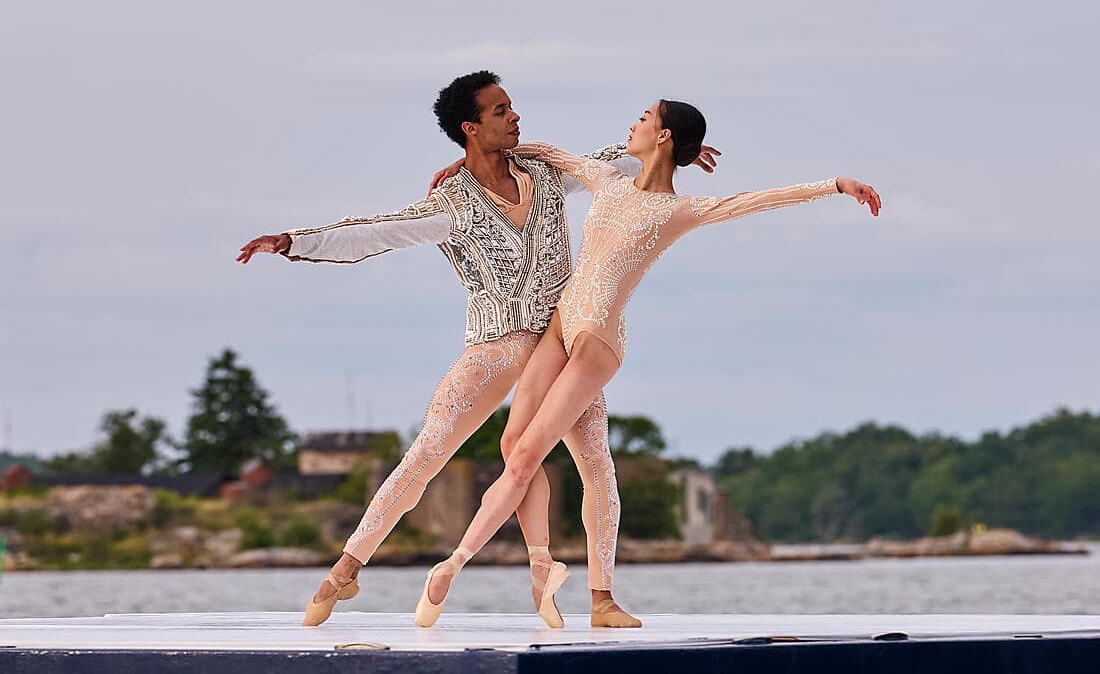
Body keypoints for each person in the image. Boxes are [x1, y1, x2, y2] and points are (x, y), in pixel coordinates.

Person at [237, 74, 718, 629]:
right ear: (470, 127)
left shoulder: (543, 173)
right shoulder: (451, 203)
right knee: (426, 456)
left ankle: (598, 598)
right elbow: (377, 231)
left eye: (511, 107)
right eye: (500, 111)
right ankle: (344, 571)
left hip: (561, 347)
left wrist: (679, 150)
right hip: (493, 346)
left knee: (595, 466)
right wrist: (294, 241)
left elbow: (610, 161)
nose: (515, 117)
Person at [413, 99, 881, 628]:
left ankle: (454, 567)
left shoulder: (676, 211)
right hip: (559, 327)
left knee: (529, 459)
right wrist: (467, 167)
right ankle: (563, 580)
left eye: (643, 119)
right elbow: (540, 150)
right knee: (518, 449)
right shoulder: (607, 181)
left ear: (661, 138)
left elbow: (757, 200)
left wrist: (834, 184)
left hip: (597, 345)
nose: (631, 124)